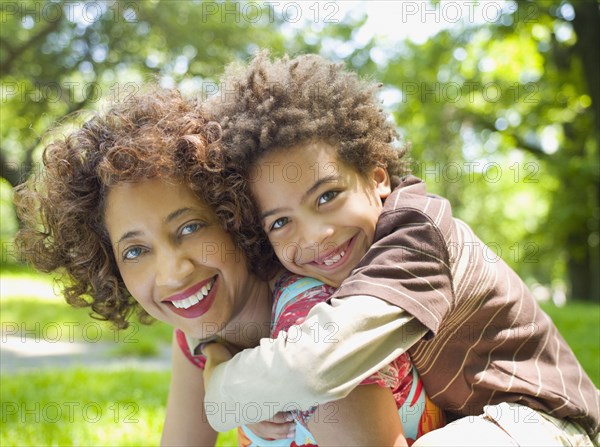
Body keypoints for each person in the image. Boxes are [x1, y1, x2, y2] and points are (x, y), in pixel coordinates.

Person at [202, 52, 600, 446]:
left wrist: (223, 389)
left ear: (377, 178)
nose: (314, 235)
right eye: (280, 221)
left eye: (327, 196)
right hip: (467, 422)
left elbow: (315, 365)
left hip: (541, 420)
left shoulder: (416, 236)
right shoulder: (331, 257)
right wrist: (215, 352)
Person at [13, 86, 417, 446]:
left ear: (235, 218)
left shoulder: (306, 319)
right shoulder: (199, 336)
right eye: (135, 251)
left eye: (190, 227)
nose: (174, 273)